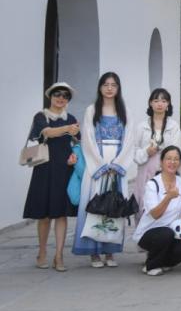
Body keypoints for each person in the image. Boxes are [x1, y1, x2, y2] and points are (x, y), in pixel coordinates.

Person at [74, 71, 133, 268]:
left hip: (117, 164)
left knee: (114, 205)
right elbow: (88, 139)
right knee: (95, 204)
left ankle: (110, 251)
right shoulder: (92, 110)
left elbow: (129, 140)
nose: (109, 88)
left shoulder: (125, 111)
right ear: (100, 87)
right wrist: (100, 165)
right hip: (97, 165)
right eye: (106, 84)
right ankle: (94, 252)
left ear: (118, 88)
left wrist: (117, 165)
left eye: (113, 85)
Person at [23, 82, 79, 271]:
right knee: (45, 215)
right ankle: (42, 252)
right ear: (50, 96)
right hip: (44, 169)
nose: (61, 98)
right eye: (57, 94)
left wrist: (74, 156)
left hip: (64, 169)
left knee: (61, 214)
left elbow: (76, 144)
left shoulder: (71, 118)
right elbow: (47, 133)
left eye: (65, 95)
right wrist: (67, 128)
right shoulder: (41, 116)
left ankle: (59, 256)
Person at [133, 146, 181, 277]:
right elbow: (155, 214)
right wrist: (168, 197)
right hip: (150, 233)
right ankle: (152, 265)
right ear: (161, 162)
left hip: (174, 231)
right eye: (168, 159)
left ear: (180, 163)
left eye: (176, 159)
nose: (172, 162)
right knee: (165, 234)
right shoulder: (152, 184)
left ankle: (163, 262)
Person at [131, 88, 181, 211]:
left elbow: (177, 151)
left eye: (164, 101)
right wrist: (146, 152)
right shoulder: (142, 126)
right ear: (150, 103)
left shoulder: (173, 126)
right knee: (144, 205)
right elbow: (134, 152)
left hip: (167, 172)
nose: (160, 104)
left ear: (168, 104)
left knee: (166, 204)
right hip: (145, 172)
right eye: (156, 101)